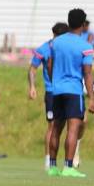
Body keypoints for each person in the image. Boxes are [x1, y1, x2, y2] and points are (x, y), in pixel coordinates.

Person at [47, 8, 94, 178]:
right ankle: (68, 167)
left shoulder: (56, 42)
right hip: (74, 91)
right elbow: (88, 73)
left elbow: (50, 65)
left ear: (69, 22)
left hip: (57, 90)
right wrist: (92, 98)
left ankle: (52, 167)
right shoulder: (85, 46)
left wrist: (55, 81)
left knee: (55, 128)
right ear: (83, 25)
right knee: (73, 129)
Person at [28, 22, 70, 173]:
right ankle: (48, 160)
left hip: (67, 91)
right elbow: (32, 69)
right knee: (52, 126)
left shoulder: (68, 49)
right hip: (52, 92)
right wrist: (32, 86)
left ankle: (68, 161)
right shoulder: (44, 49)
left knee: (67, 126)